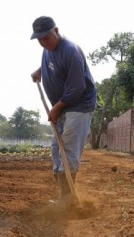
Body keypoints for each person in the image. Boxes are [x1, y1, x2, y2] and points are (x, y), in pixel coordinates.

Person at [30, 16, 97, 204]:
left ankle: (67, 200)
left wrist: (57, 108)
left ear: (56, 31)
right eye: (39, 39)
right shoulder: (47, 50)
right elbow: (53, 64)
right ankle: (65, 197)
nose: (43, 42)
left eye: (46, 37)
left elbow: (77, 88)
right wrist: (40, 71)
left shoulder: (70, 51)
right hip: (64, 107)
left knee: (67, 147)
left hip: (79, 106)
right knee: (56, 147)